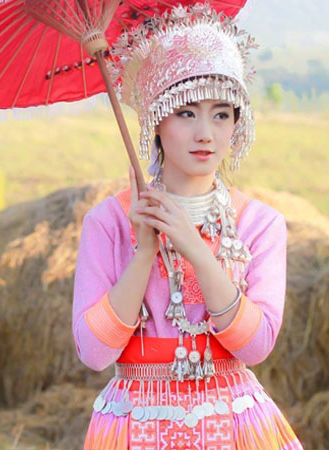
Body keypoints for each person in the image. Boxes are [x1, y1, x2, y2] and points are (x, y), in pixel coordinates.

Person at [72, 5, 302, 448]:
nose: (206, 133)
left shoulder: (260, 224)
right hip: (136, 421)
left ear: (239, 124)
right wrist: (143, 253)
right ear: (156, 120)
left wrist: (193, 246)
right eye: (186, 112)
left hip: (234, 424)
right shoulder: (108, 223)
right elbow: (94, 354)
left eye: (221, 114)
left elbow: (255, 348)